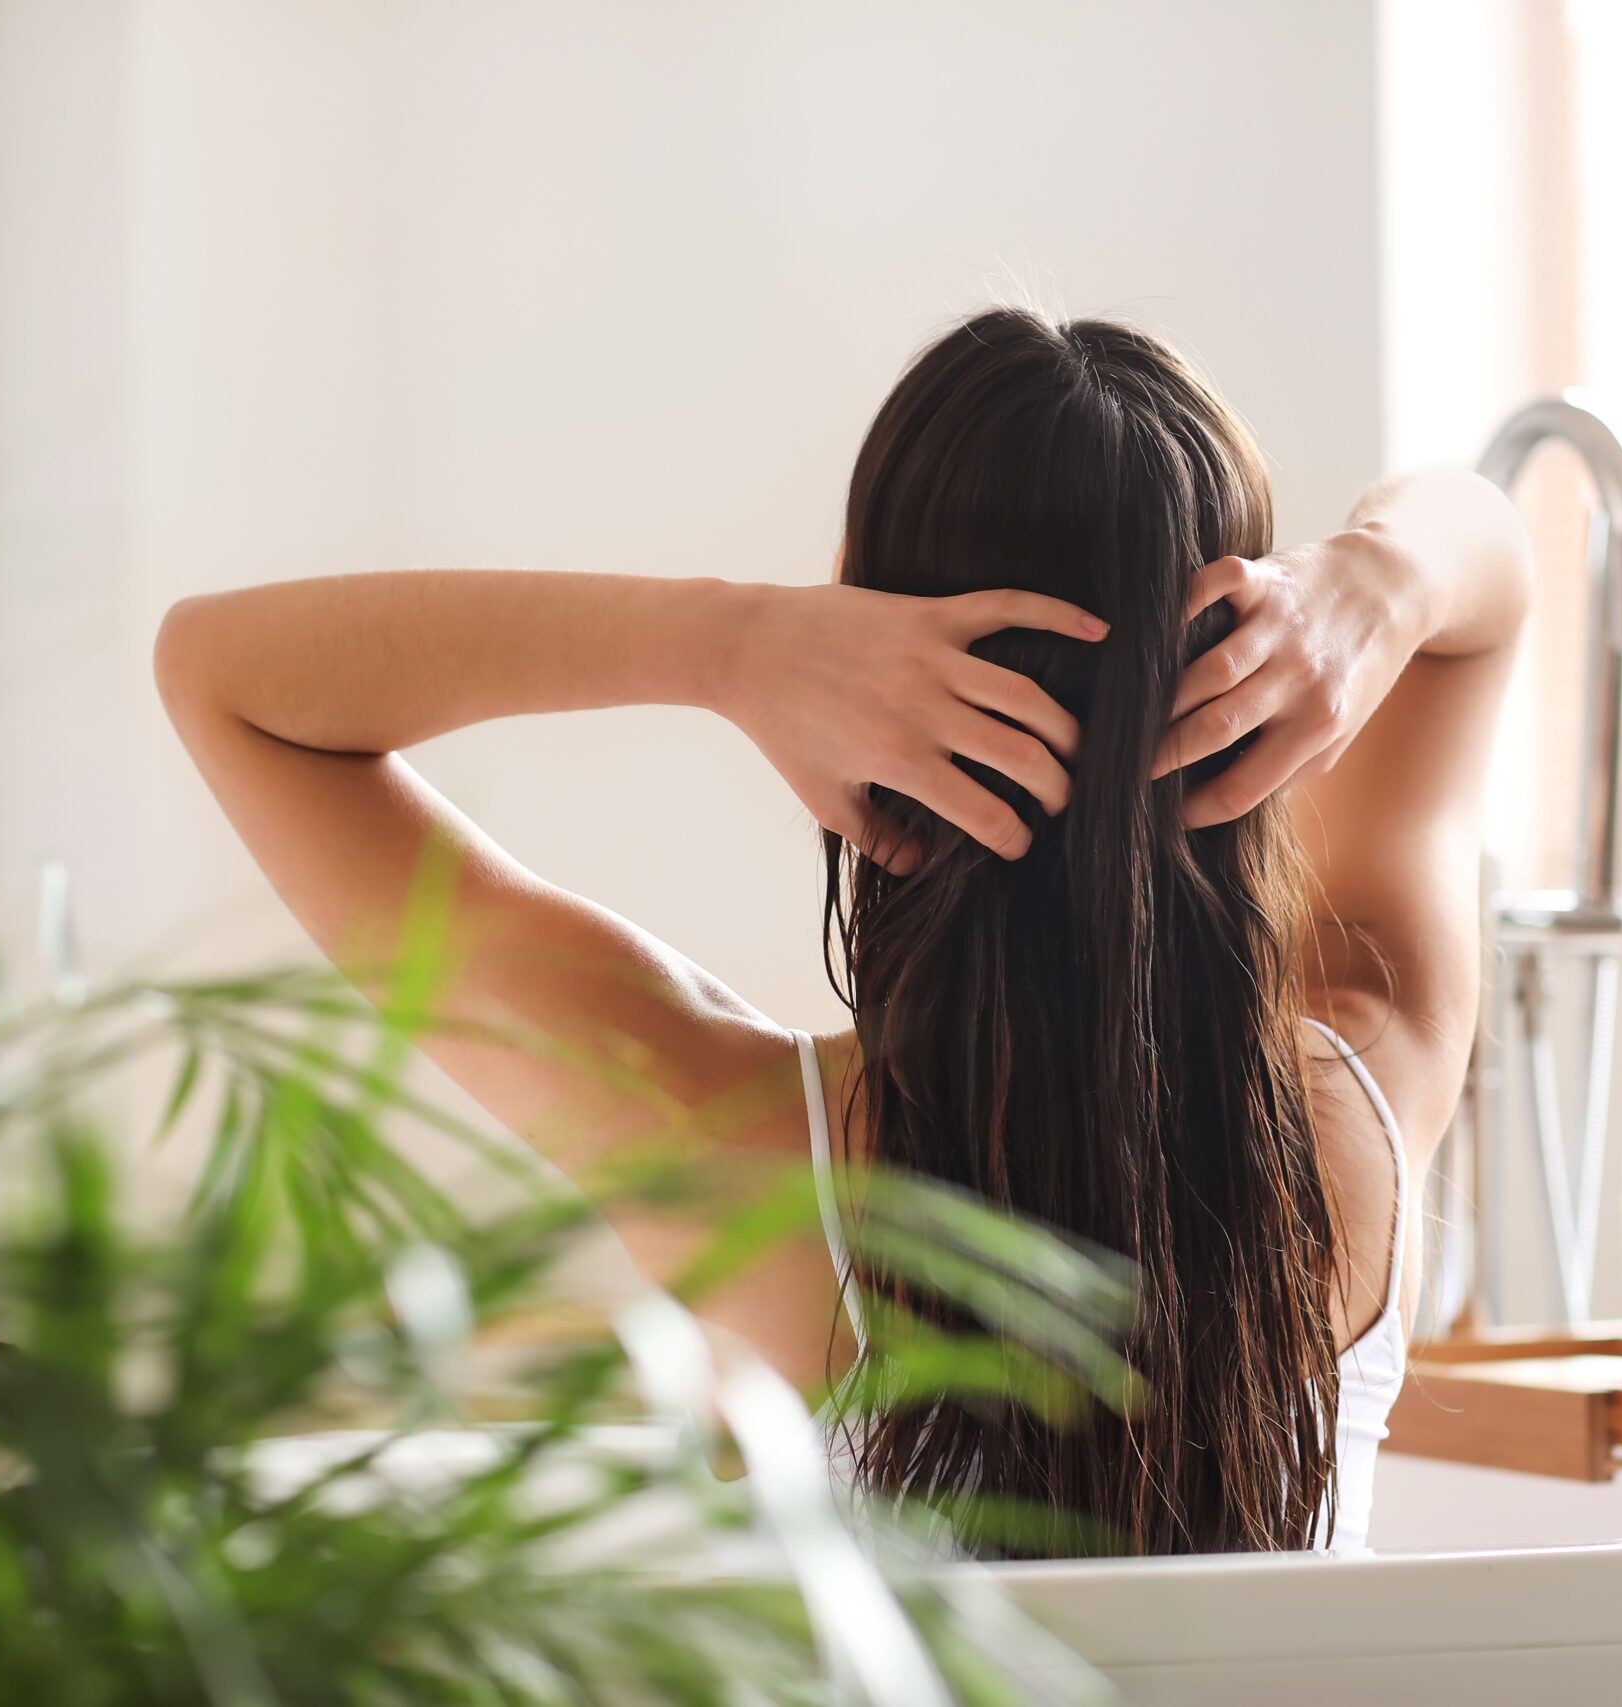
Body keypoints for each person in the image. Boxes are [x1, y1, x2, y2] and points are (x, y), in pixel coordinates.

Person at [155, 307, 1529, 1555]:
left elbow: (225, 677)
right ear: (1264, 675)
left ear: (857, 644)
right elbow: (1493, 579)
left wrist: (733, 644)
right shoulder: (1365, 1109)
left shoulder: (734, 1155)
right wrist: (1373, 583)